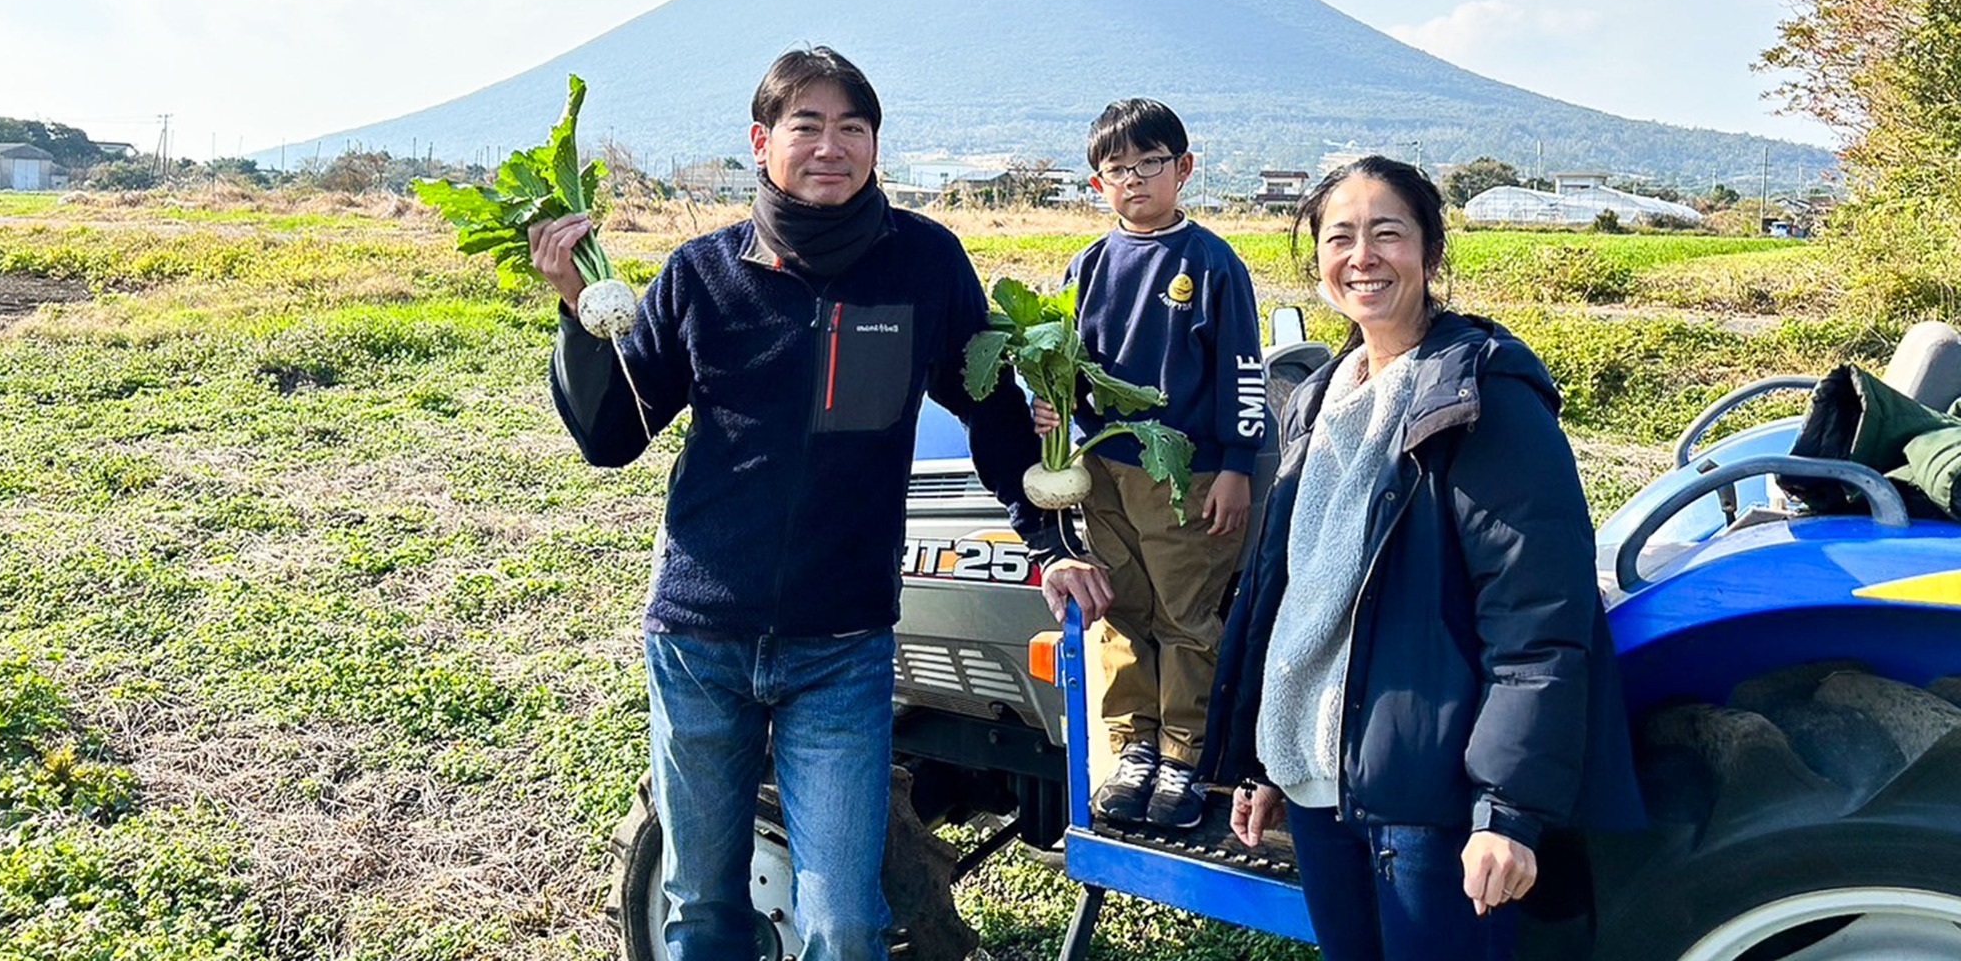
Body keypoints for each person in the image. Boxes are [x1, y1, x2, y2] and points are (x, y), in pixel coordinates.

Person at [530, 46, 1107, 961]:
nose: (829, 146)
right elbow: (612, 436)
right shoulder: (703, 275)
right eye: (806, 125)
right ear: (763, 144)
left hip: (841, 646)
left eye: (852, 127)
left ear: (875, 146)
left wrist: (1050, 539)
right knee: (700, 904)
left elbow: (993, 413)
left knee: (843, 918)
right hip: (702, 639)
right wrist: (576, 314)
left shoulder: (923, 264)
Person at [1203, 156, 1642, 961]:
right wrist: (1267, 761)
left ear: (1431, 253)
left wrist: (1505, 810)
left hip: (1430, 796)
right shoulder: (1319, 396)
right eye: (1340, 237)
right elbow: (1291, 597)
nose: (1362, 256)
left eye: (1387, 233)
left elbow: (1539, 620)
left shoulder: (1481, 397)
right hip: (1320, 779)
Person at [1033, 98, 1266, 829]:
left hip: (1184, 476)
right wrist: (1050, 409)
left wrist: (1236, 465)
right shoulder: (1089, 265)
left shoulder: (1211, 263)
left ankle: (1184, 753)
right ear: (1098, 183)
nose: (1133, 179)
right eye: (1116, 169)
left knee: (1187, 614)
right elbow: (1062, 362)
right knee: (1119, 609)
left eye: (1149, 164)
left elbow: (1245, 371)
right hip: (1101, 474)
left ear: (1183, 169)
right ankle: (1132, 745)